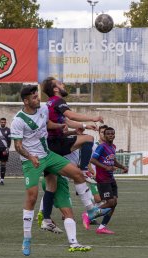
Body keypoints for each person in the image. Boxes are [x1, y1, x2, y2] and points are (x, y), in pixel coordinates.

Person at [11, 85, 110, 256]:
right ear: (26, 101)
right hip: (31, 161)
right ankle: (27, 238)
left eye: (37, 95)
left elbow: (47, 123)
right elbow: (17, 146)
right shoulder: (18, 120)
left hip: (48, 155)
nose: (38, 99)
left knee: (78, 174)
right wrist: (30, 157)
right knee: (32, 196)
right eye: (34, 97)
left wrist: (60, 127)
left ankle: (91, 209)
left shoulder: (42, 108)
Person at [40, 76, 104, 231]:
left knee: (51, 184)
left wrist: (83, 126)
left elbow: (67, 122)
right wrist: (93, 117)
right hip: (55, 143)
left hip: (48, 146)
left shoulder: (49, 104)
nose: (63, 85)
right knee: (88, 140)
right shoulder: (58, 100)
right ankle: (84, 170)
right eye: (60, 84)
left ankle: (46, 219)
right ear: (55, 89)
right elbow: (71, 116)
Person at [89, 127, 128, 234]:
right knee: (110, 202)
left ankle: (102, 227)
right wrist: (105, 167)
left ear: (114, 135)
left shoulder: (113, 147)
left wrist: (122, 167)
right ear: (104, 136)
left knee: (114, 203)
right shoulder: (101, 147)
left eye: (112, 133)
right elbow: (92, 159)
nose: (110, 135)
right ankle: (89, 215)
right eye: (108, 134)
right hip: (102, 179)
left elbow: (113, 160)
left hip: (111, 178)